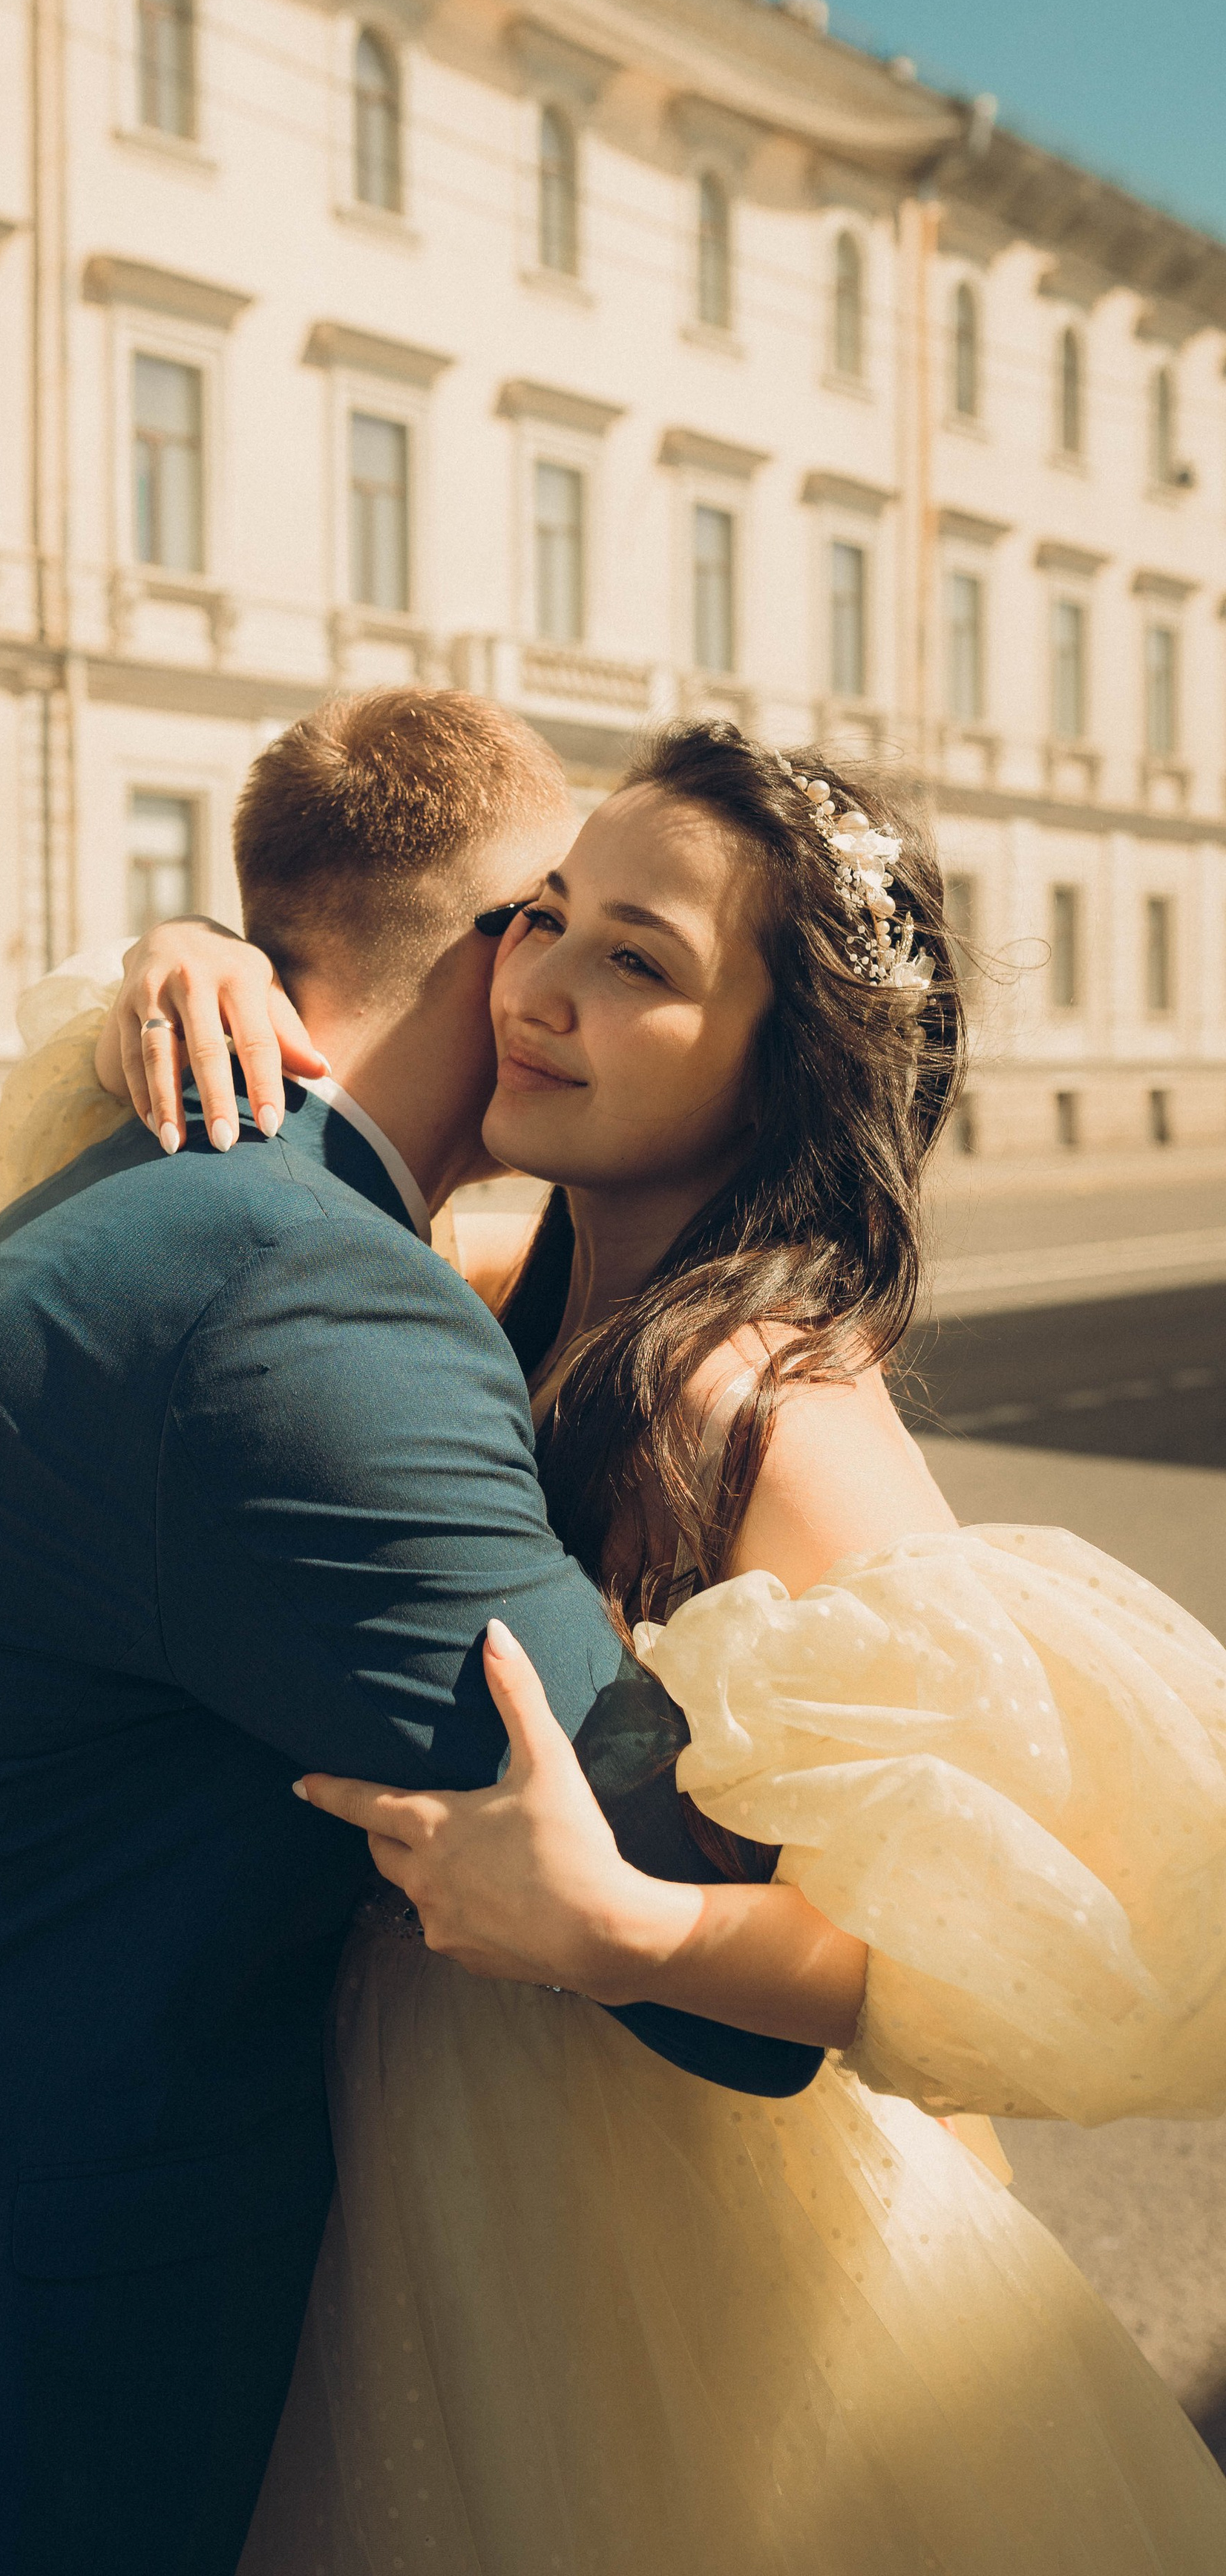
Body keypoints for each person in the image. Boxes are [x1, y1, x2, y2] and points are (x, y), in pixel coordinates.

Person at [0, 692, 856, 2576]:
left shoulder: (179, 1193)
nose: (554, 976)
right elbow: (668, 1902)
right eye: (543, 914)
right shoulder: (300, 1294)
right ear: (483, 947)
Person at [66, 718, 1226, 2574]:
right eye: (544, 922)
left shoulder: (752, 1394)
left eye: (641, 964)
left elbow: (962, 1919)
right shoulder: (507, 1300)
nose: (540, 989)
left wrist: (634, 1927)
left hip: (656, 2239)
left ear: (779, 1072)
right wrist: (203, 959)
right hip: (411, 2160)